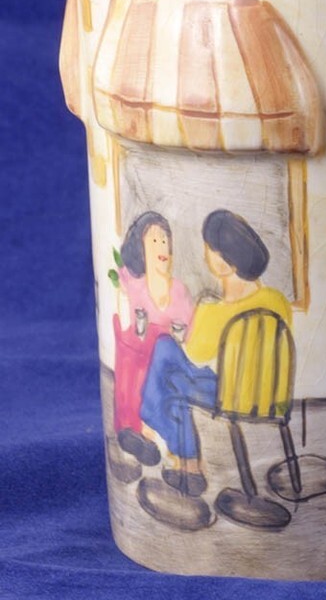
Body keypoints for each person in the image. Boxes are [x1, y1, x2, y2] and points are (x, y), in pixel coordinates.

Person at [140, 209, 292, 496]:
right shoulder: (277, 301)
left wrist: (187, 331)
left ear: (222, 258)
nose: (206, 254)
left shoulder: (214, 311)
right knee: (171, 372)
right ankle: (187, 465)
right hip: (273, 397)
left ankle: (177, 453)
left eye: (209, 248)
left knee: (166, 360)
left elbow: (194, 355)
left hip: (230, 396)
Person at [113, 212, 193, 466]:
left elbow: (187, 335)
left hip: (167, 356)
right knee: (131, 357)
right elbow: (118, 276)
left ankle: (146, 433)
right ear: (141, 249)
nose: (162, 248)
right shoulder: (133, 284)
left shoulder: (179, 290)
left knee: (154, 359)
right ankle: (133, 430)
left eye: (165, 241)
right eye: (155, 241)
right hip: (141, 350)